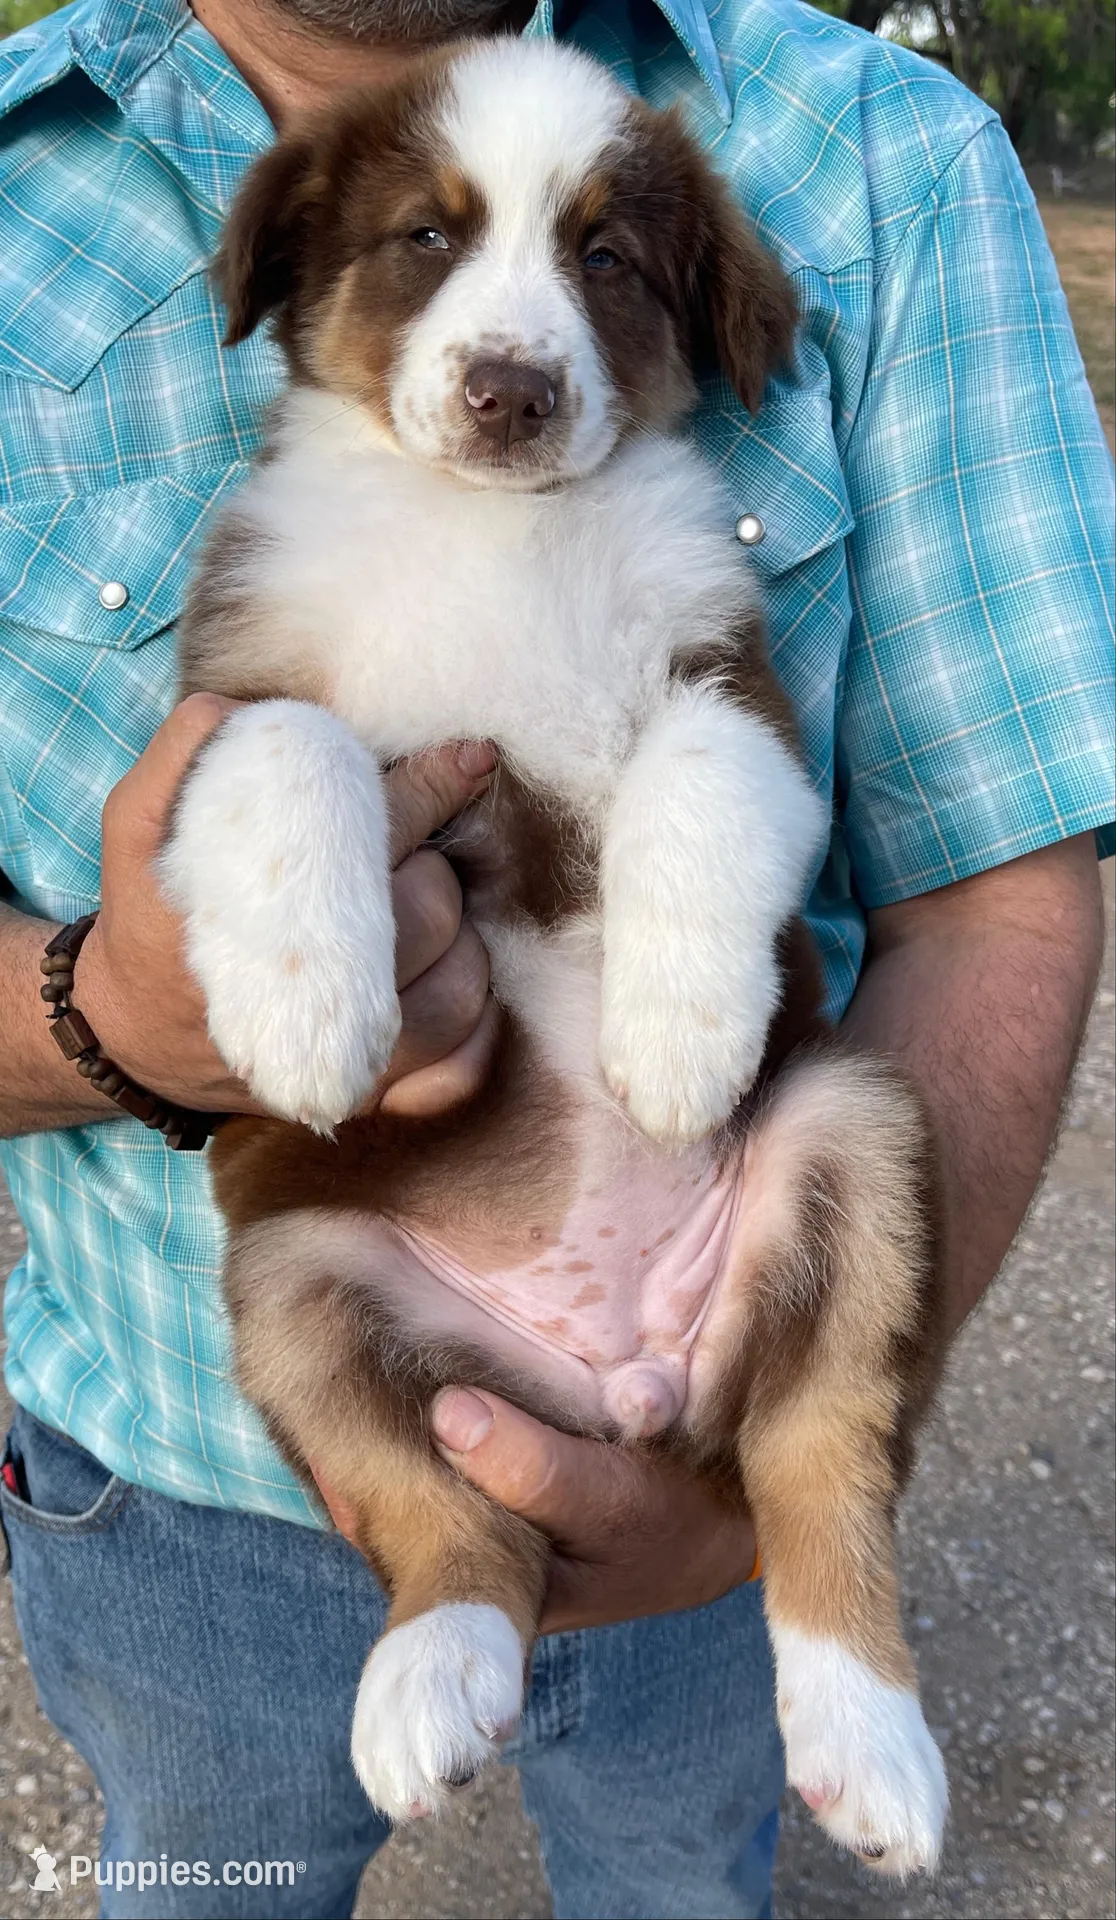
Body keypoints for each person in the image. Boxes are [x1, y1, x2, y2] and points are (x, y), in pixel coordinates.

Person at [0, 0, 1111, 1913]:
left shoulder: (869, 189)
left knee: (838, 1138)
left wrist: (695, 901)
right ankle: (455, 1572)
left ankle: (837, 1610)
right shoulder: (280, 512)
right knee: (297, 1291)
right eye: (430, 240)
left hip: (707, 1330)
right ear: (302, 274)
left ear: (692, 318)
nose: (508, 349)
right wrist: (124, 1005)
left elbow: (790, 778)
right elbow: (254, 736)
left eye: (599, 260)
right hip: (209, 1464)